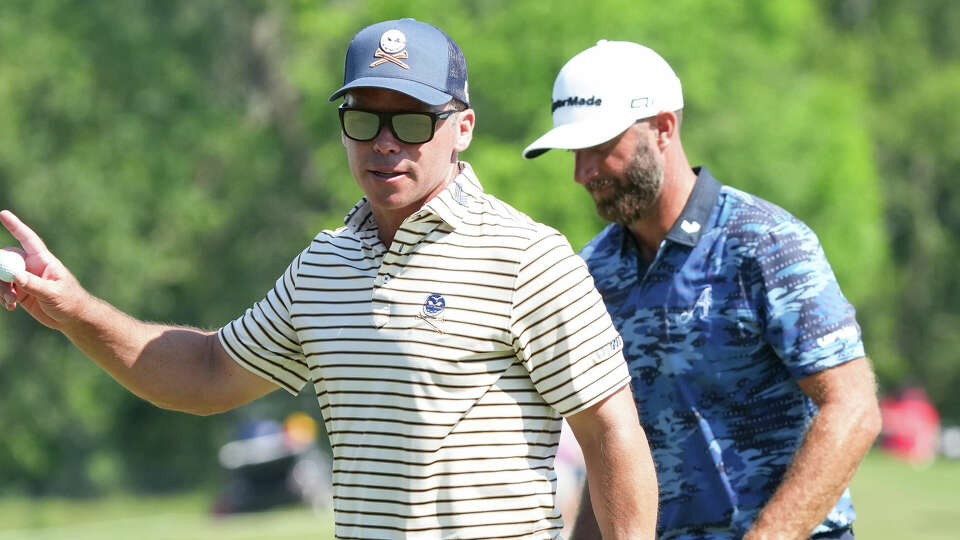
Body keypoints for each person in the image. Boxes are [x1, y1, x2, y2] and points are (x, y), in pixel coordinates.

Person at [0, 19, 658, 539]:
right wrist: (73, 308)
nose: (384, 142)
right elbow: (204, 373)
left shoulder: (528, 256)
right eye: (363, 118)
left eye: (410, 120)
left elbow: (612, 434)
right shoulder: (325, 264)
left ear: (462, 128)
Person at [523, 40, 882, 539]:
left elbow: (854, 407)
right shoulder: (593, 270)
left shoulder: (765, 243)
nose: (583, 173)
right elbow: (608, 450)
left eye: (602, 148)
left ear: (664, 128)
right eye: (575, 152)